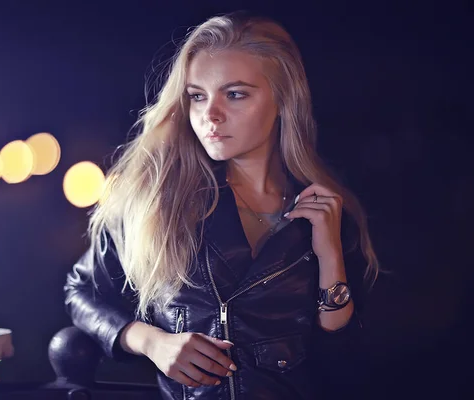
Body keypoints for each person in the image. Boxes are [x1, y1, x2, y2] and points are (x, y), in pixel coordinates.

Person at [64, 11, 379, 400]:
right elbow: (82, 291)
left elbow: (342, 353)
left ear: (283, 100)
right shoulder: (156, 200)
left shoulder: (327, 209)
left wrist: (329, 253)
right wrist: (150, 341)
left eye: (235, 94)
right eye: (197, 95)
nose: (210, 115)